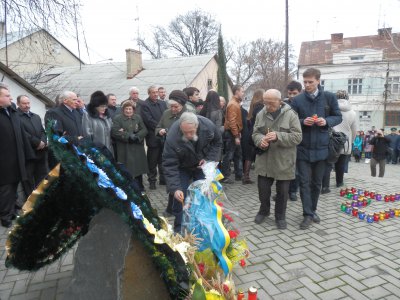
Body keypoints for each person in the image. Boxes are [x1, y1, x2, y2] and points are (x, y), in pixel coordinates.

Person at [291, 68, 342, 230]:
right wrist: (301, 121)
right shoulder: (297, 100)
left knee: (316, 183)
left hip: (322, 148)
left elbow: (338, 116)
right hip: (303, 148)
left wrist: (326, 121)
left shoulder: (329, 97)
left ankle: (312, 210)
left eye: (310, 82)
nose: (307, 85)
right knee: (304, 183)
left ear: (318, 81)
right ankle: (307, 214)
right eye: (305, 82)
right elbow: (290, 121)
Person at [162, 112, 222, 233]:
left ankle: (204, 227)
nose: (189, 135)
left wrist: (209, 159)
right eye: (185, 132)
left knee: (204, 195)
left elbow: (218, 142)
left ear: (197, 126)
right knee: (180, 196)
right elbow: (170, 164)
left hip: (201, 165)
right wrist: (175, 188)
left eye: (191, 132)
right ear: (180, 127)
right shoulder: (172, 137)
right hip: (182, 167)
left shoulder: (208, 126)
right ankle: (179, 229)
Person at [252, 89, 302, 229]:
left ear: (280, 102)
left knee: (282, 192)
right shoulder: (261, 113)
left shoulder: (291, 115)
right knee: (263, 190)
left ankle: (280, 216)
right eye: (265, 103)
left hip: (283, 160)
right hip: (265, 159)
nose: (267, 106)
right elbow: (255, 133)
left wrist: (278, 136)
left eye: (271, 103)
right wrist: (260, 140)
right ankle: (264, 211)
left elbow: (297, 137)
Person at [0, 86, 34, 227]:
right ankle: (5, 216)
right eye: (8, 95)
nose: (11, 98)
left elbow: (21, 134)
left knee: (14, 186)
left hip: (17, 157)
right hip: (4, 160)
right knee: (5, 189)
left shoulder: (12, 111)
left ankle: (13, 210)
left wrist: (27, 153)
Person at [155, 90, 188, 217]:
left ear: (182, 105)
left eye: (176, 107)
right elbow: (157, 128)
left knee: (180, 180)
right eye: (171, 106)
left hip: (183, 154)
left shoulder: (188, 115)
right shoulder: (166, 113)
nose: (173, 109)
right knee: (171, 178)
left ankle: (177, 208)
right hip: (168, 152)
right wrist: (160, 131)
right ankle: (171, 207)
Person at [321, 90, 356, 192]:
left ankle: (325, 186)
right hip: (345, 141)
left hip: (331, 140)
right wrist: (351, 141)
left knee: (328, 164)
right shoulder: (352, 112)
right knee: (341, 163)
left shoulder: (330, 109)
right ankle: (339, 182)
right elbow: (354, 130)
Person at [111, 101, 148, 191]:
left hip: (137, 146)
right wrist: (128, 136)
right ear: (123, 110)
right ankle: (129, 187)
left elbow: (144, 129)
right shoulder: (118, 119)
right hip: (124, 148)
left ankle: (140, 186)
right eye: (126, 109)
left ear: (133, 110)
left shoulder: (137, 117)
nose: (128, 111)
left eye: (130, 109)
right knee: (126, 167)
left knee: (138, 167)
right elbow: (115, 132)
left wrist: (137, 136)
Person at [17, 95, 49, 192]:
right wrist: (37, 142)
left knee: (42, 178)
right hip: (28, 154)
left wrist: (43, 141)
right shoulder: (16, 117)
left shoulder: (36, 116)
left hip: (41, 153)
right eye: (24, 103)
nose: (27, 105)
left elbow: (43, 131)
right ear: (18, 104)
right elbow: (23, 134)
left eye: (28, 103)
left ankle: (41, 200)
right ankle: (30, 203)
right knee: (28, 180)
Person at [140, 85, 168, 190]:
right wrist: (159, 128)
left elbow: (166, 116)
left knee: (163, 159)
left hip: (164, 135)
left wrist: (165, 128)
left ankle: (163, 179)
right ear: (149, 93)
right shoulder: (145, 105)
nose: (156, 94)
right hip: (153, 136)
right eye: (153, 92)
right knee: (152, 160)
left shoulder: (162, 103)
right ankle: (152, 181)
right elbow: (148, 120)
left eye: (157, 92)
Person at [220, 85, 244, 184]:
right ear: (237, 92)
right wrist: (236, 135)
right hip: (231, 134)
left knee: (238, 154)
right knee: (229, 155)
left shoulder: (235, 103)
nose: (243, 93)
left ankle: (239, 175)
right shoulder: (233, 104)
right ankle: (225, 176)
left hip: (234, 133)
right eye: (242, 91)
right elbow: (232, 121)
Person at [245, 89, 265, 185]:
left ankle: (246, 176)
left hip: (251, 132)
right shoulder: (260, 107)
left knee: (250, 155)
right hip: (256, 133)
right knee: (256, 154)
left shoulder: (253, 106)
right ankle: (248, 177)